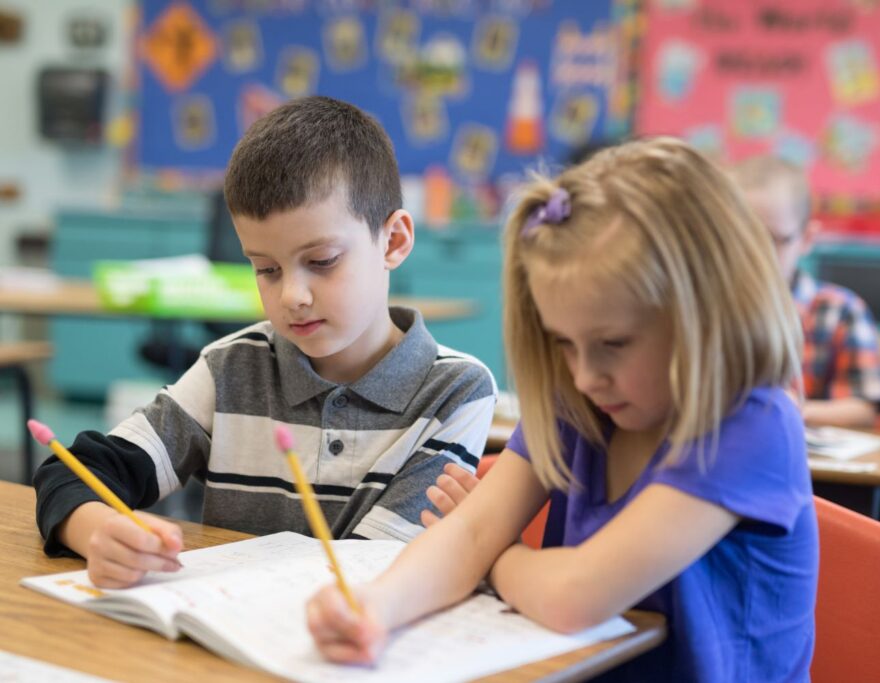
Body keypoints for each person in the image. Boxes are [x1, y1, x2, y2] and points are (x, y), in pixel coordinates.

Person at [305, 137, 819, 681]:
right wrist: (375, 607)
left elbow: (572, 597)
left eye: (614, 343)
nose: (585, 376)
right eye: (564, 344)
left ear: (704, 313)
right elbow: (469, 534)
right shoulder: (579, 403)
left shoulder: (750, 426)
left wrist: (498, 557)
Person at [32, 96, 497, 588]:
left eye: (322, 261)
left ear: (394, 241)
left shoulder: (455, 392)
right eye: (267, 269)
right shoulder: (231, 367)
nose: (292, 296)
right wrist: (99, 532)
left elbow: (374, 571)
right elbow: (74, 473)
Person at [731, 155, 880, 429]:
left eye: (773, 240)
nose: (756, 255)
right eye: (740, 239)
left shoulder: (839, 310)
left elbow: (867, 408)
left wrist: (792, 408)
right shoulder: (709, 309)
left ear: (807, 238)